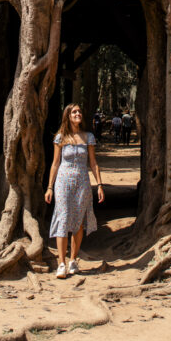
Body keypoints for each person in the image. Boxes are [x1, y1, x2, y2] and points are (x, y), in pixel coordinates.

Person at [45, 103, 104, 278]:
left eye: (79, 111)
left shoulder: (88, 137)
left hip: (82, 181)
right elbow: (55, 164)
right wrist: (49, 187)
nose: (78, 113)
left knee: (78, 222)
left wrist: (99, 184)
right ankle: (61, 263)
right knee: (63, 218)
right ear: (68, 116)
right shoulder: (60, 137)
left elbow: (93, 163)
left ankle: (73, 260)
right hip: (63, 181)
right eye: (74, 112)